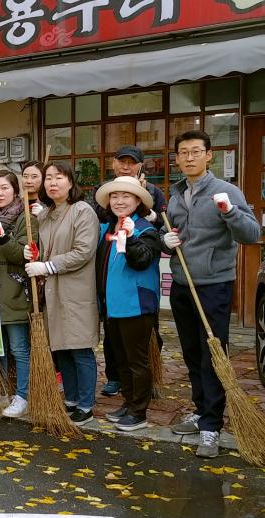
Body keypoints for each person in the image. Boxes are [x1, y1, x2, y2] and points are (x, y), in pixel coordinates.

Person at [163, 130, 260, 458]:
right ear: (176, 158)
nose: (189, 157)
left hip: (214, 285)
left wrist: (230, 211)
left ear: (209, 156)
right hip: (181, 284)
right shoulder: (176, 193)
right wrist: (168, 240)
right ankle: (201, 409)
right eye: (183, 152)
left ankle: (211, 426)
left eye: (195, 151)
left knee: (212, 353)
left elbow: (251, 234)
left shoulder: (226, 190)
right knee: (190, 351)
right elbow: (175, 232)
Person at [24, 161, 100, 427]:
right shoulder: (46, 214)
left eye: (59, 177)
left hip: (76, 290)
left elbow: (83, 251)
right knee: (62, 348)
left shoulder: (82, 211)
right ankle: (71, 399)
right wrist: (34, 256)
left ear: (71, 182)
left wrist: (48, 265)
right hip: (52, 292)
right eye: (48, 178)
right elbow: (44, 248)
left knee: (79, 348)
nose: (52, 182)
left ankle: (86, 404)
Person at [94, 176, 162, 432]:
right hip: (112, 306)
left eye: (126, 196)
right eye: (114, 196)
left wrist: (131, 239)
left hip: (136, 306)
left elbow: (142, 260)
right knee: (120, 360)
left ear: (138, 201)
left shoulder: (146, 229)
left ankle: (139, 411)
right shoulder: (109, 229)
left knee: (137, 360)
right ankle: (129, 402)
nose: (119, 201)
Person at [0, 171, 38, 419]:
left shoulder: (25, 219)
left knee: (19, 348)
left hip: (14, 291)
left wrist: (2, 237)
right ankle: (1, 390)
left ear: (15, 191)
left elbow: (21, 255)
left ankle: (22, 395)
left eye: (4, 188)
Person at [94, 146, 167, 228]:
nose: (125, 167)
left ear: (140, 166)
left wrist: (143, 199)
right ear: (114, 163)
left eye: (131, 163)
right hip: (112, 238)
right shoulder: (102, 190)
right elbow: (101, 217)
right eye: (122, 162)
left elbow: (164, 222)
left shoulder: (153, 191)